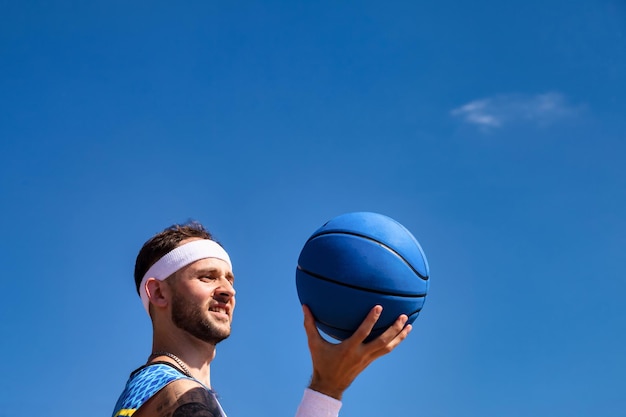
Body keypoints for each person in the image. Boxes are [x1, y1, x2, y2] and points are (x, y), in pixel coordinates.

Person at [112, 221, 412, 417]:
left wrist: (328, 386)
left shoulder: (148, 392)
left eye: (230, 280)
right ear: (158, 293)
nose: (227, 290)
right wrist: (327, 387)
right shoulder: (182, 398)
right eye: (207, 277)